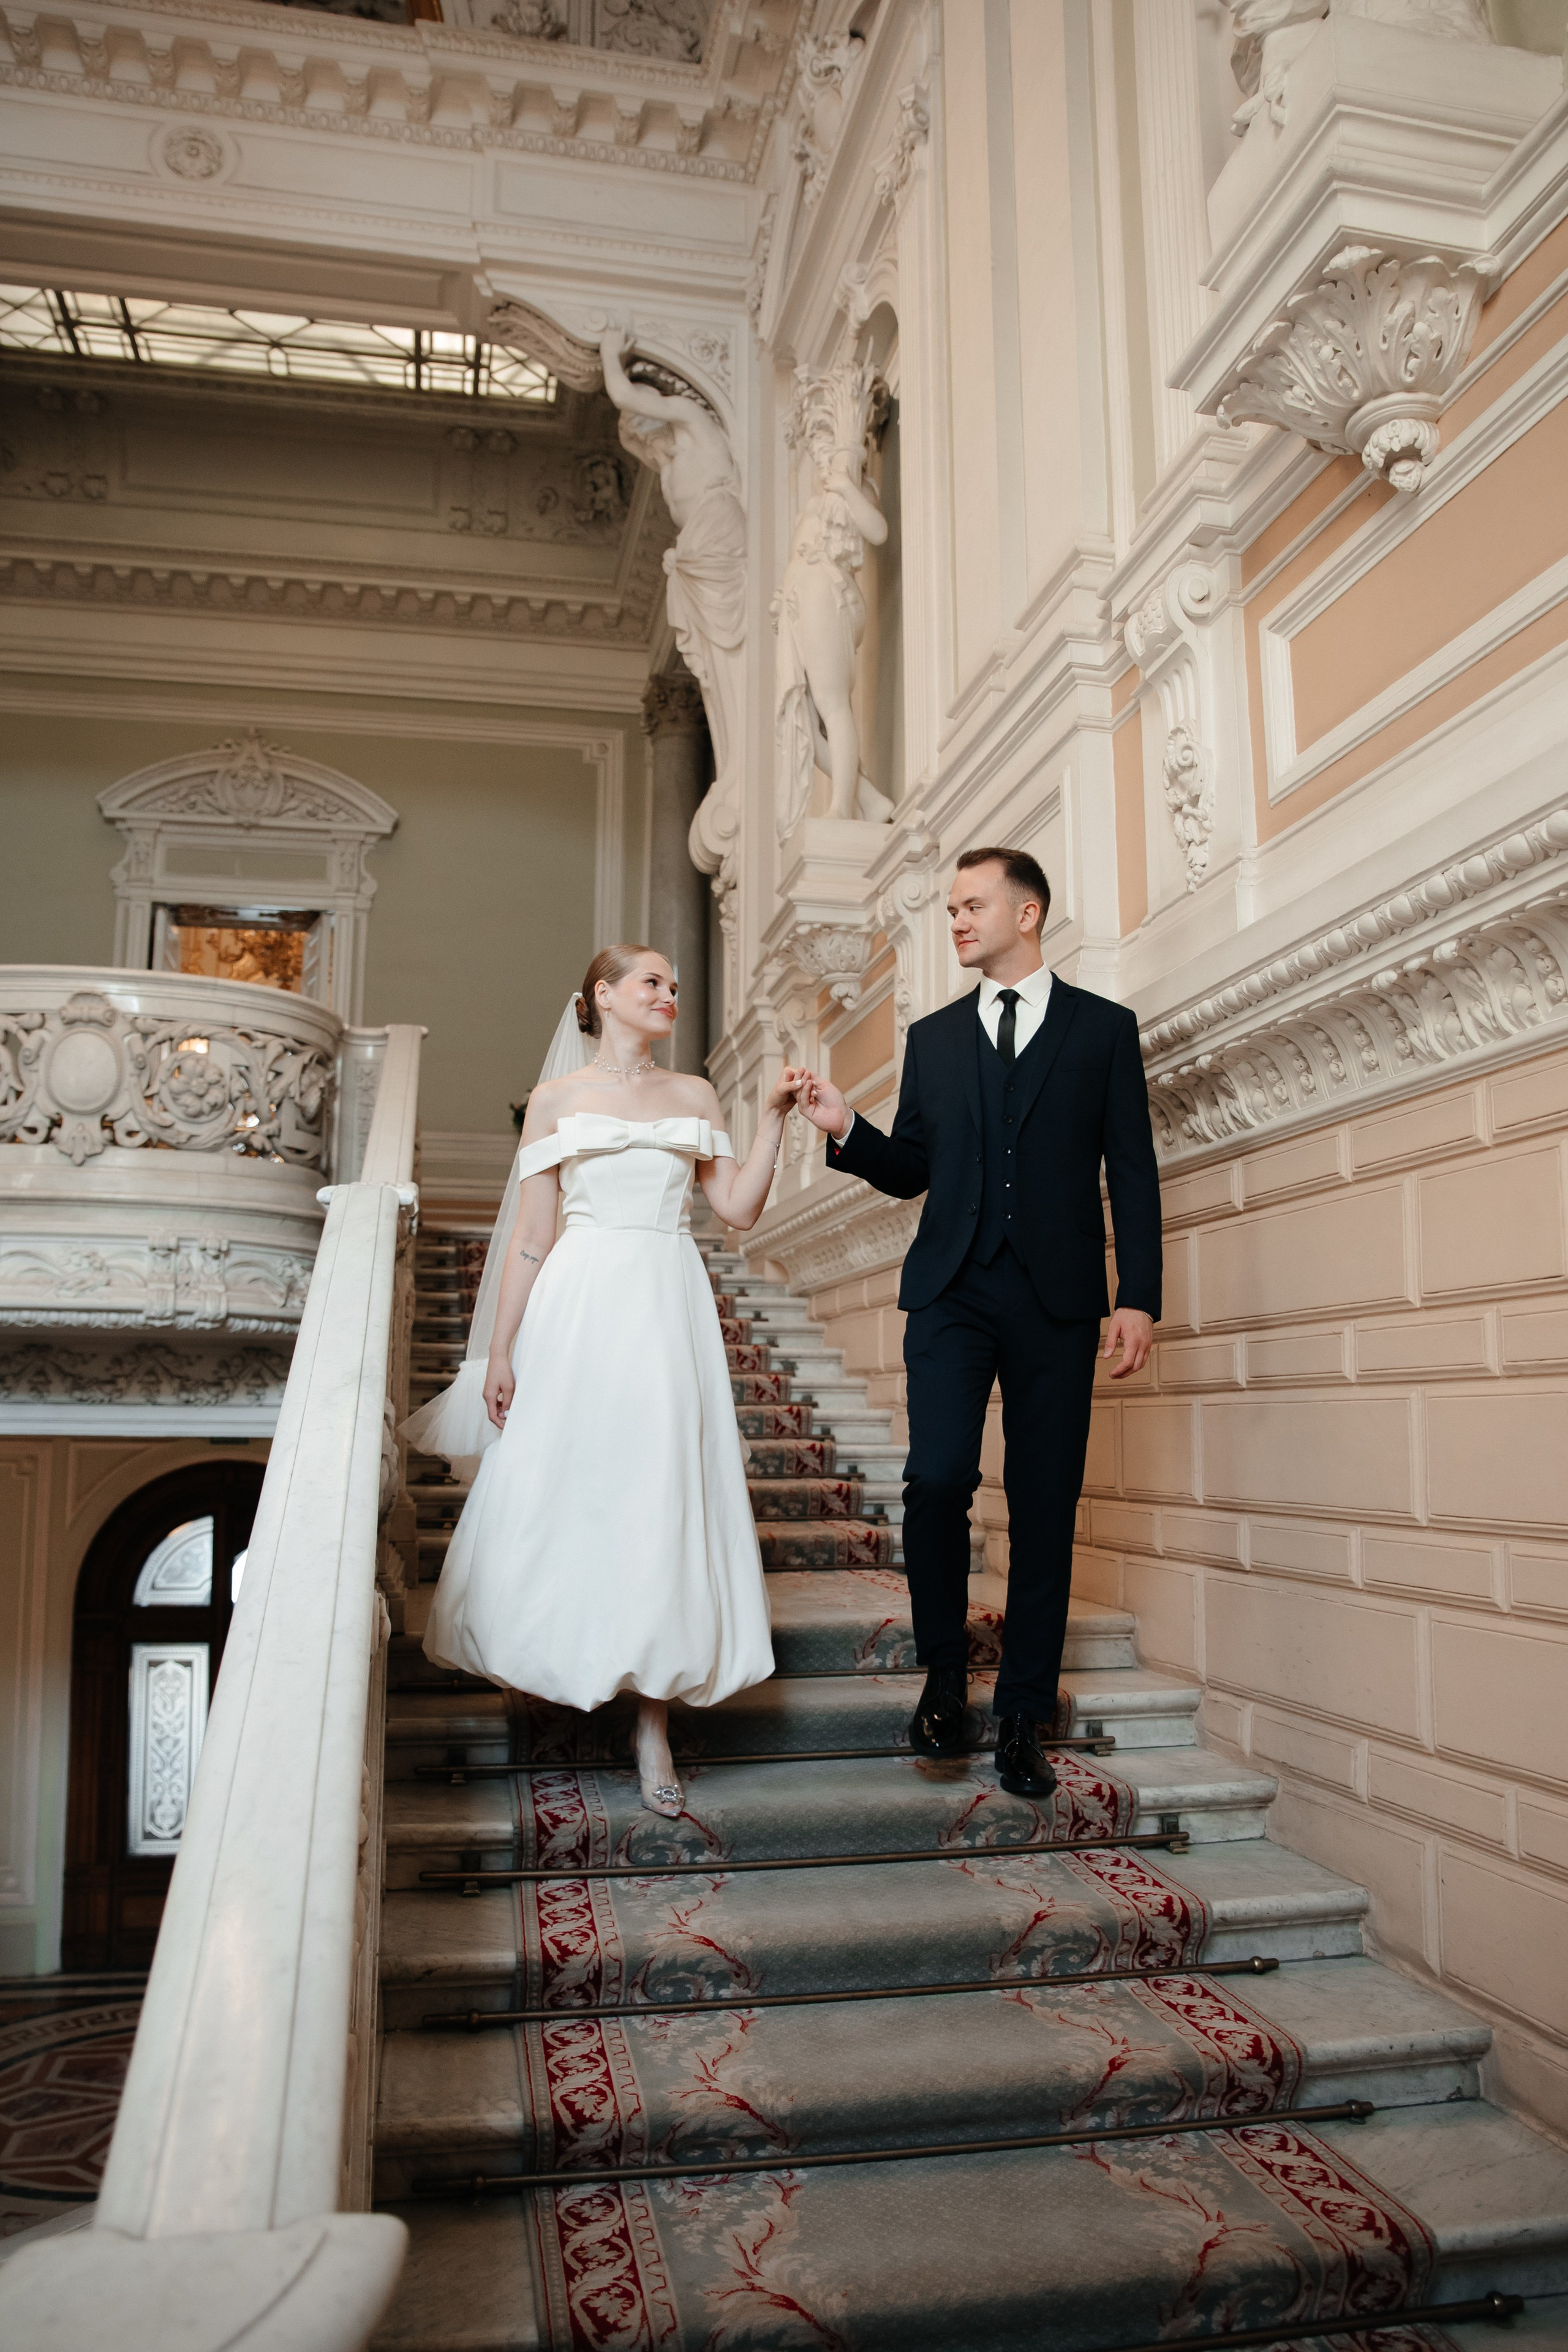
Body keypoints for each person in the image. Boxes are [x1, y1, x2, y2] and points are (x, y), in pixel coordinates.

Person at [791, 848, 1162, 1800]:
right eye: (951, 908)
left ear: (1027, 912)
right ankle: (946, 1676)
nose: (956, 921)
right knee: (937, 1479)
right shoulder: (936, 1036)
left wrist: (1139, 1296)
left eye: (971, 905)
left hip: (1058, 1299)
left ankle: (1023, 1719)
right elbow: (911, 1167)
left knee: (1044, 1505)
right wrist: (847, 1126)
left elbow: (1131, 1168)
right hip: (952, 1290)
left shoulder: (1102, 1030)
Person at [403, 945, 793, 1817]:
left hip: (665, 1301)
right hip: (578, 1304)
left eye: (673, 986)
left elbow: (736, 1210)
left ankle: (652, 1719)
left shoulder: (695, 1094)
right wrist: (499, 1353)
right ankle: (565, 1654)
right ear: (603, 996)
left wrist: (772, 1120)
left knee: (661, 1492)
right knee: (576, 1484)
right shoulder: (554, 1102)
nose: (668, 995)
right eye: (651, 982)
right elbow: (533, 1239)